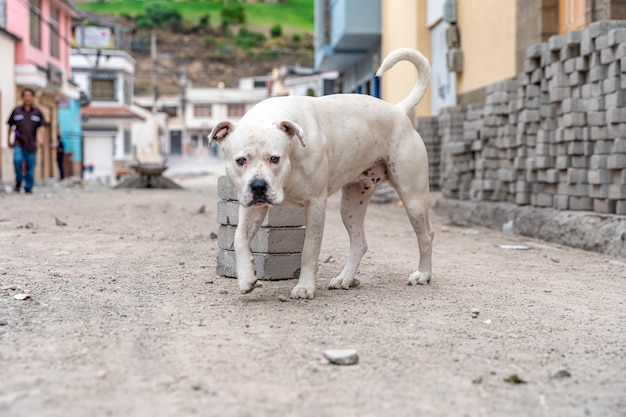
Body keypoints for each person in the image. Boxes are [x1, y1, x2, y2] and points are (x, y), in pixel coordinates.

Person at [7, 88, 49, 193]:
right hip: (18, 142)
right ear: (22, 97)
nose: (27, 98)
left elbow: (43, 126)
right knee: (17, 161)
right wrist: (8, 139)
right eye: (25, 96)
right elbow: (10, 126)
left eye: (30, 96)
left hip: (32, 144)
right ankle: (19, 181)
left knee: (30, 167)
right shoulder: (16, 111)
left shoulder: (37, 112)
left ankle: (28, 187)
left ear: (33, 97)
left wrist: (41, 138)